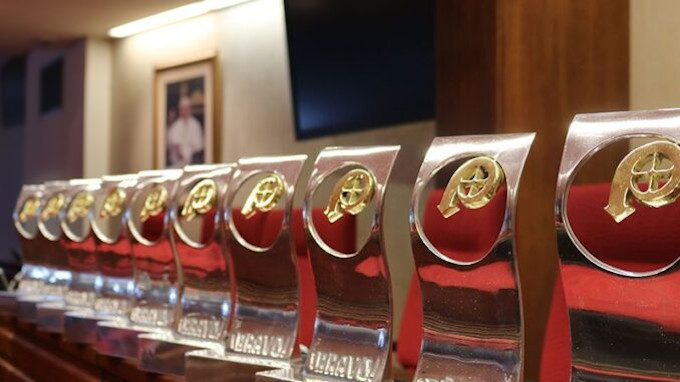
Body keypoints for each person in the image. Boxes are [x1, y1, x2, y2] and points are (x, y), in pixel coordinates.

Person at [167, 96, 204, 167]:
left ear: (190, 109)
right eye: (182, 109)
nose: (184, 111)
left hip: (193, 163)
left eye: (186, 109)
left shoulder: (196, 125)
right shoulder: (175, 126)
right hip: (177, 164)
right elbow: (174, 145)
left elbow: (199, 146)